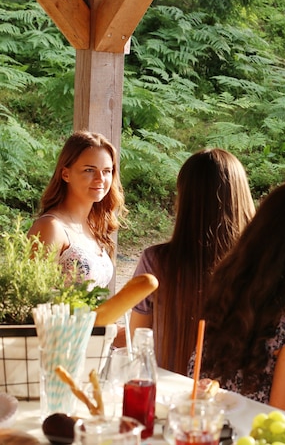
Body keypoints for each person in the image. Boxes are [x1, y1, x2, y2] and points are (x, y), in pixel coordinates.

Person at [188, 178, 285, 422]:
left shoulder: (227, 282)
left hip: (201, 415)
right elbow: (282, 418)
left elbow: (269, 371)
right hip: (248, 431)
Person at [129, 148, 255, 375]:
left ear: (183, 198)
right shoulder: (258, 266)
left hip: (167, 395)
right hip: (235, 402)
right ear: (241, 197)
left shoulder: (155, 261)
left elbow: (137, 340)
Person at [28, 131, 126, 290]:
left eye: (107, 171)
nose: (100, 178)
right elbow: (33, 296)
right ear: (66, 174)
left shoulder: (94, 225)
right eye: (89, 170)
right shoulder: (50, 227)